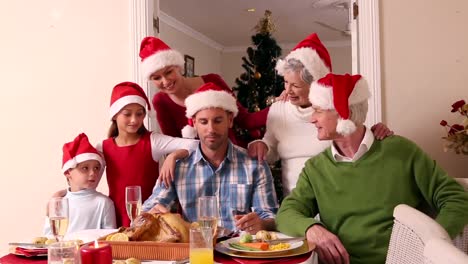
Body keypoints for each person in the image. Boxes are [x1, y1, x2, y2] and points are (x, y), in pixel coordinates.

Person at [276, 73, 468, 264]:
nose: (312, 119)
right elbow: (286, 214)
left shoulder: (402, 152)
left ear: (345, 113)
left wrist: (432, 245)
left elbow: (456, 198)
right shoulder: (315, 168)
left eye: (318, 110)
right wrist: (312, 229)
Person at [248, 33, 392, 196]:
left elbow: (358, 139)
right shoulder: (279, 110)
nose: (287, 91)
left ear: (315, 84)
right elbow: (271, 149)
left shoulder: (334, 110)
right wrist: (262, 145)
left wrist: (377, 132)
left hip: (333, 198)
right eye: (286, 82)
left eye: (295, 85)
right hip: (296, 203)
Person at [142, 82, 278, 234]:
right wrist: (152, 214)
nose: (211, 129)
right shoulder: (178, 166)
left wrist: (263, 224)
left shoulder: (254, 164)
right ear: (194, 123)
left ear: (230, 120)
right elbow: (147, 211)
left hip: (240, 250)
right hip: (196, 251)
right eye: (203, 122)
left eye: (218, 121)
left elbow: (270, 216)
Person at [98, 81, 198, 227]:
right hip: (115, 219)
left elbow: (196, 145)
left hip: (151, 218)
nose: (134, 120)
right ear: (114, 115)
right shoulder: (103, 147)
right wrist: (64, 193)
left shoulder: (153, 141)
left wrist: (173, 155)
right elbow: (88, 182)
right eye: (127, 114)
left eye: (139, 114)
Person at [139, 36, 268, 147]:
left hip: (230, 157)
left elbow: (245, 119)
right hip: (194, 167)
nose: (165, 81)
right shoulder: (161, 101)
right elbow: (173, 144)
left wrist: (280, 106)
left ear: (178, 67)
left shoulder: (212, 80)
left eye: (169, 72)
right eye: (157, 78)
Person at [44, 133, 116, 235]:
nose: (93, 173)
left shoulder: (104, 203)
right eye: (85, 168)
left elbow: (110, 239)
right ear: (68, 172)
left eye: (96, 168)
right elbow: (48, 237)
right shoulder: (58, 203)